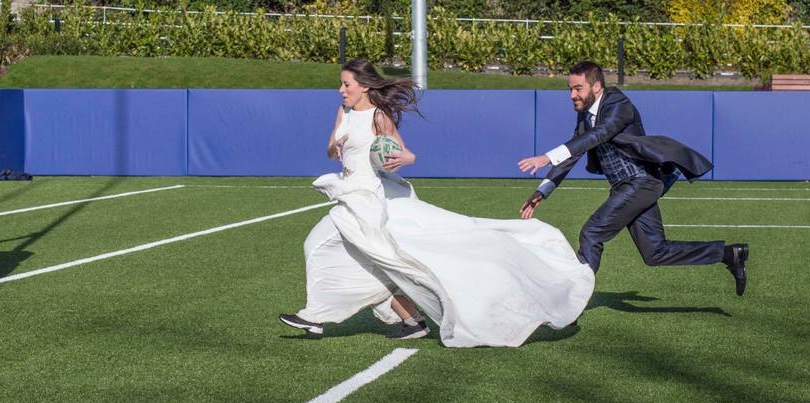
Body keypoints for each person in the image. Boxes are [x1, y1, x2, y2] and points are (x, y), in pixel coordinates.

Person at [279, 59, 595, 348]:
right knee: (379, 262)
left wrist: (398, 159)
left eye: (346, 84)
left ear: (363, 85)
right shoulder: (343, 112)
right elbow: (332, 151)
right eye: (341, 84)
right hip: (348, 190)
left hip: (367, 197)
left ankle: (315, 316)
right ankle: (409, 321)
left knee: (319, 244)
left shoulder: (378, 115)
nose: (341, 89)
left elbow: (407, 154)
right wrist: (335, 145)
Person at [517, 61, 749, 296]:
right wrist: (543, 191)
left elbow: (599, 134)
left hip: (642, 182)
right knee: (655, 253)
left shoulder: (619, 104)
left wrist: (546, 156)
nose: (571, 95)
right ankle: (731, 254)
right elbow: (574, 151)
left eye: (578, 88)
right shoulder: (585, 115)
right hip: (627, 187)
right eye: (569, 89)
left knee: (592, 232)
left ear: (596, 87)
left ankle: (573, 300)